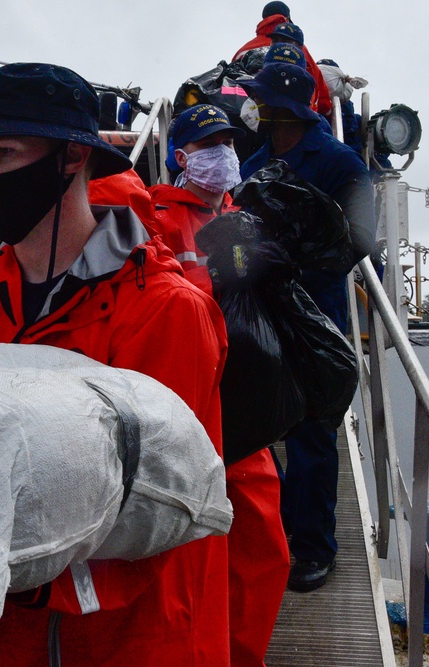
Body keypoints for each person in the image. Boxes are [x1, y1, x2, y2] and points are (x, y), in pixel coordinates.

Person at [0, 63, 231, 665]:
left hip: (119, 641)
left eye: (2, 153)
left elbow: (152, 504)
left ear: (70, 159)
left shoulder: (166, 313)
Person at [148, 104, 290, 666]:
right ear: (182, 157)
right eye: (210, 145)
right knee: (188, 552)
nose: (223, 155)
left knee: (262, 546)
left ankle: (241, 656)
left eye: (228, 143)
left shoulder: (242, 212)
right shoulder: (156, 216)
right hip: (182, 403)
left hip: (240, 403)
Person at [238, 62, 376, 592]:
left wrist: (297, 261)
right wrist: (242, 261)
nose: (255, 109)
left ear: (287, 109)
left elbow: (361, 237)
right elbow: (231, 234)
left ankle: (314, 548)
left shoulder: (340, 163)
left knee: (313, 438)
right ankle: (271, 539)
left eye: (262, 101)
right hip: (261, 319)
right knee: (257, 433)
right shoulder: (253, 163)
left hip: (315, 320)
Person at [232, 7, 332, 117]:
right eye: (275, 41)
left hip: (254, 113)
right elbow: (322, 95)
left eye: (285, 41)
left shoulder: (244, 50)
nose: (280, 46)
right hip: (285, 118)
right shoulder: (302, 52)